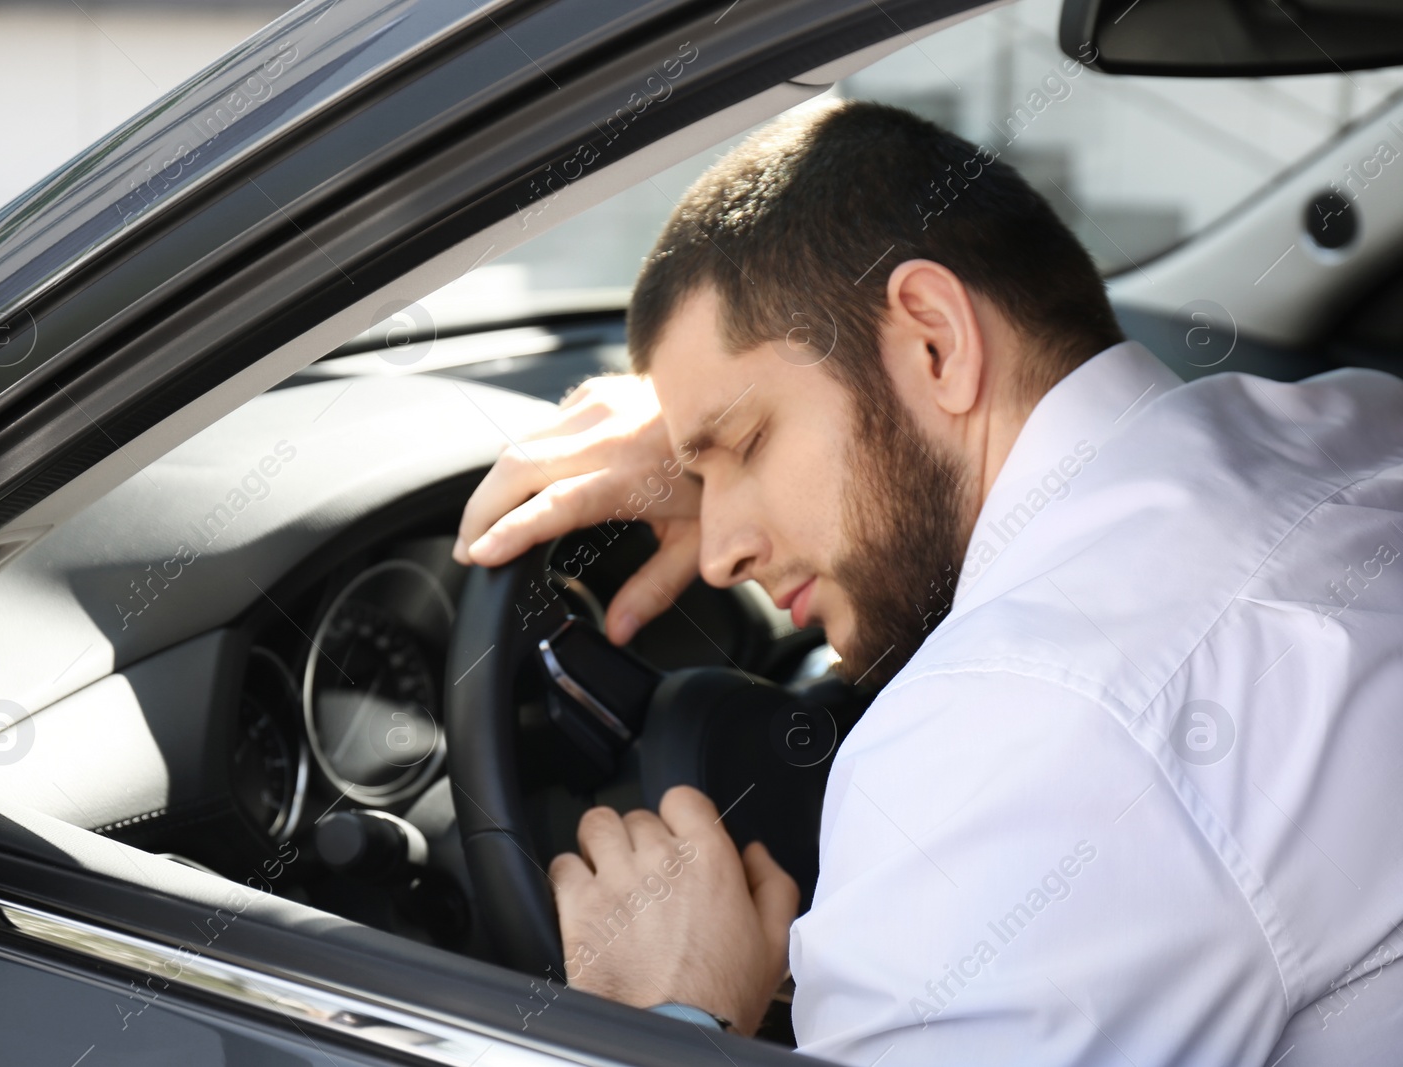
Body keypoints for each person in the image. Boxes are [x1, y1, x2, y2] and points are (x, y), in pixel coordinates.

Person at [451, 99, 1403, 1064]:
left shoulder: (1017, 731)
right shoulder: (1349, 426)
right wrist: (724, 437)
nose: (716, 554)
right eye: (703, 476)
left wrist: (665, 1017)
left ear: (936, 341)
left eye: (744, 442)